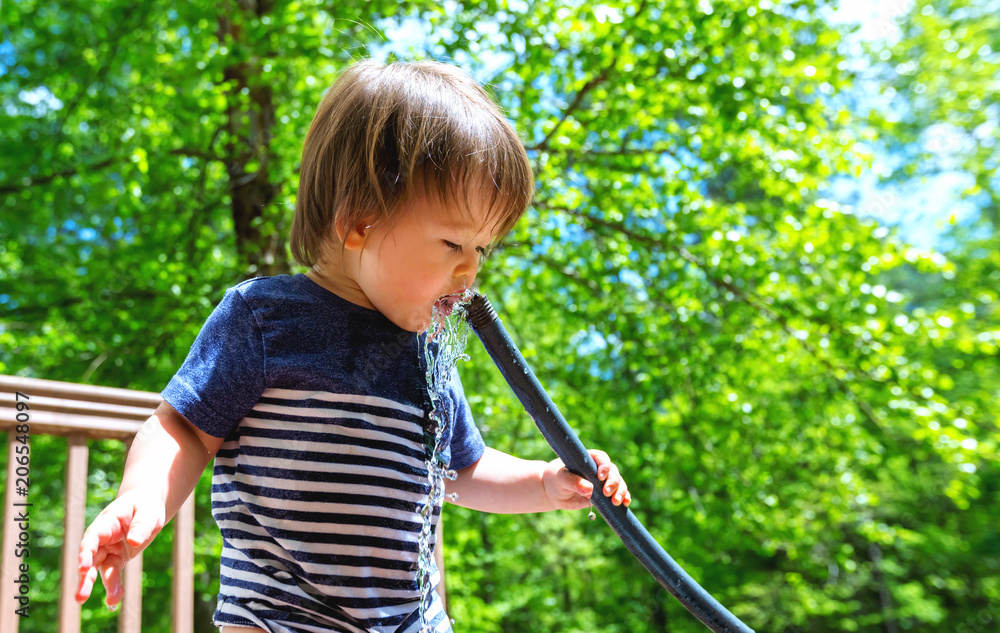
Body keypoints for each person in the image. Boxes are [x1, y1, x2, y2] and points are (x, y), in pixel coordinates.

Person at [75, 59, 631, 633]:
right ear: (359, 223)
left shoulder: (430, 352)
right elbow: (185, 428)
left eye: (483, 250)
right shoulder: (266, 318)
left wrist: (545, 481)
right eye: (452, 243)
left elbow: (463, 470)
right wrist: (141, 497)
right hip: (278, 619)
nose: (470, 272)